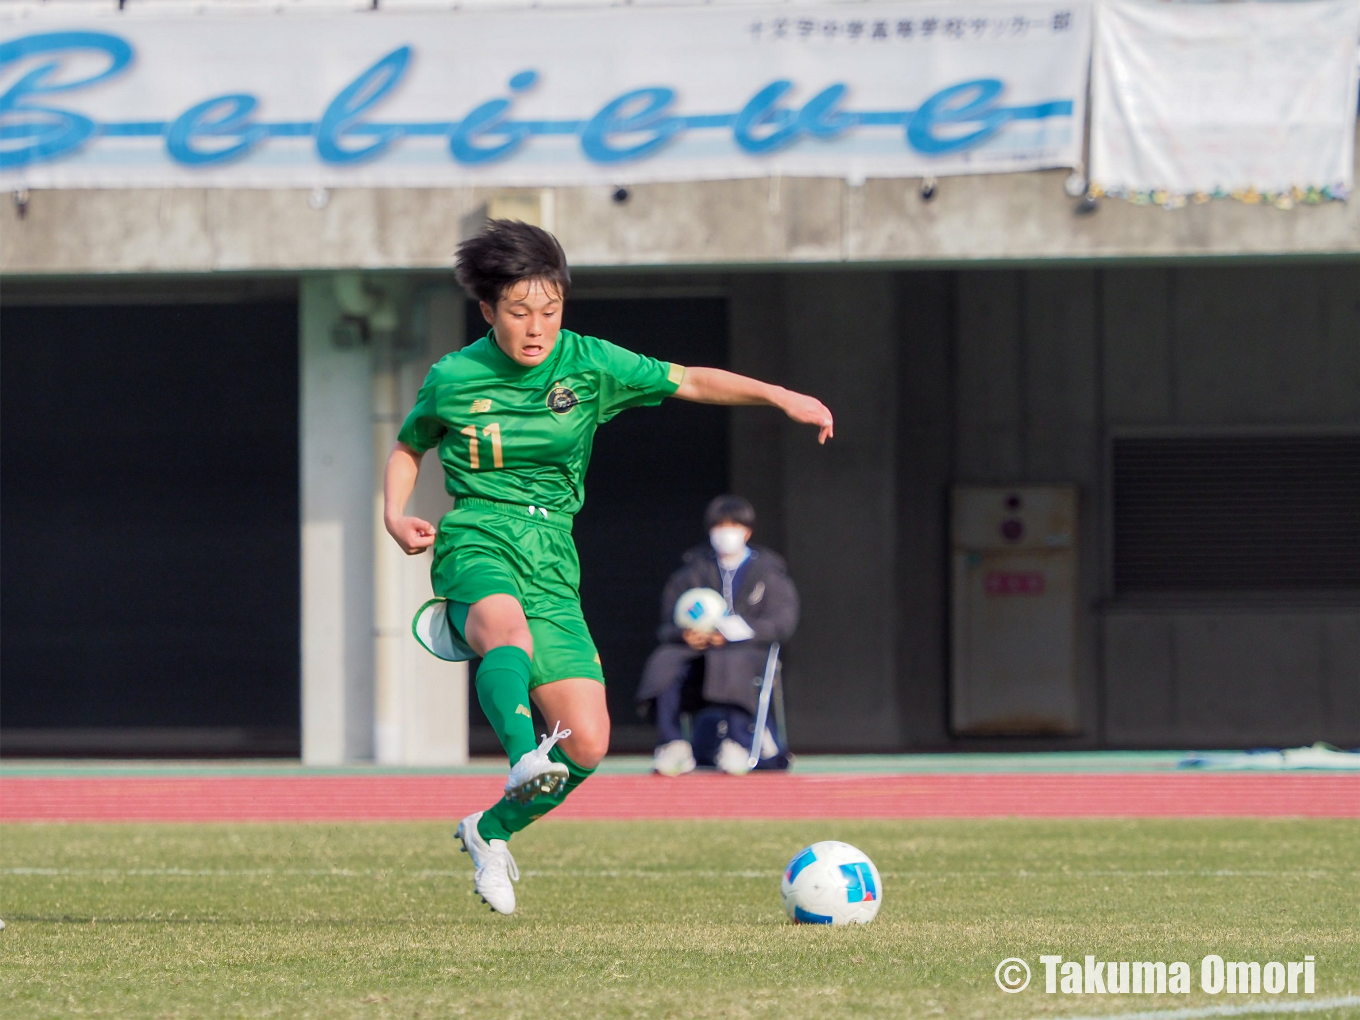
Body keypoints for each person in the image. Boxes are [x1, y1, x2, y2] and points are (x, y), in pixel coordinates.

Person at [382, 220, 834, 915]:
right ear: (488, 311)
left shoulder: (589, 362)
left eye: (550, 309)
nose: (536, 327)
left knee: (590, 742)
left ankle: (489, 831)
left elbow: (691, 381)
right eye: (519, 311)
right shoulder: (454, 376)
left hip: (553, 554)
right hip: (477, 533)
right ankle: (521, 756)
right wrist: (395, 511)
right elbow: (411, 445)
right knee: (506, 633)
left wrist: (778, 395)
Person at [638, 495, 798, 776]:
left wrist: (733, 633)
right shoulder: (692, 570)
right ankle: (672, 744)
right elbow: (667, 621)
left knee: (732, 661)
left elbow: (781, 621)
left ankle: (738, 743)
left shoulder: (769, 571)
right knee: (664, 660)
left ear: (746, 531)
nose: (725, 533)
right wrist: (685, 634)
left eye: (733, 526)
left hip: (748, 650)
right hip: (697, 651)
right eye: (718, 526)